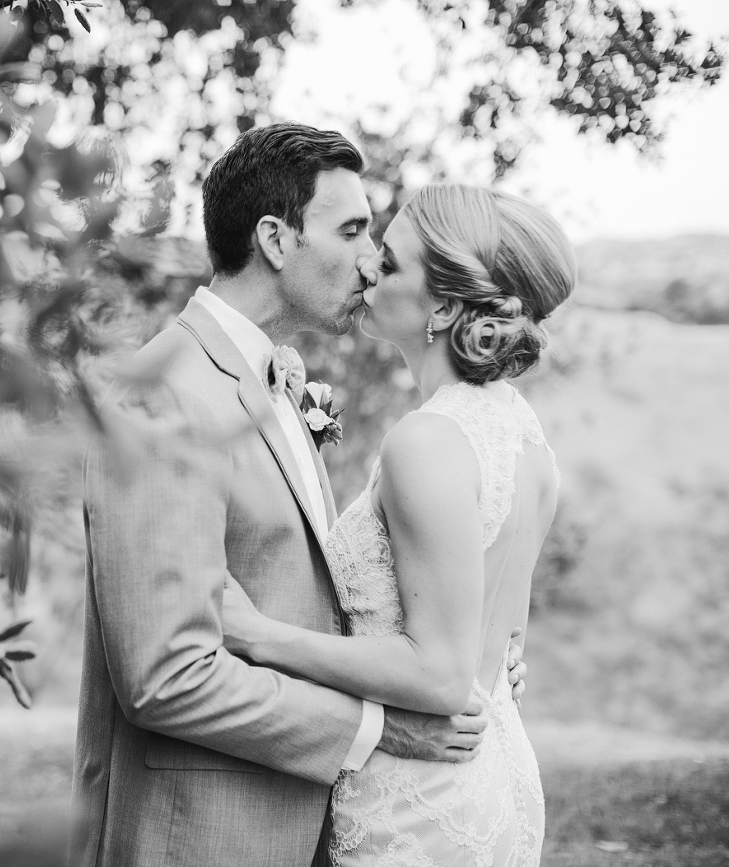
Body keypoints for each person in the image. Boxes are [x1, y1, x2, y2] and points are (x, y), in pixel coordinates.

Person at [70, 124, 527, 867]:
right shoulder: (158, 399)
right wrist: (375, 728)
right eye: (350, 229)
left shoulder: (273, 379)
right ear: (276, 240)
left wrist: (465, 650)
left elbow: (301, 593)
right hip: (201, 837)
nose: (371, 257)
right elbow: (164, 679)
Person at [222, 182, 574, 865]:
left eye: (387, 262)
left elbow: (439, 675)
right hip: (488, 772)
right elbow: (498, 646)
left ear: (442, 304)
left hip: (419, 801)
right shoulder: (524, 438)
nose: (364, 269)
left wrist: (260, 636)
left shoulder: (428, 439)